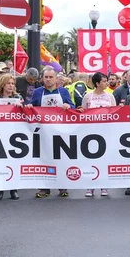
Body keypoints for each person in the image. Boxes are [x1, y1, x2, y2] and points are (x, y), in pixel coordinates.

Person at [26, 67, 75, 198]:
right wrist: (30, 107)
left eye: (50, 77)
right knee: (44, 159)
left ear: (56, 78)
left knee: (61, 158)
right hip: (43, 132)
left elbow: (73, 107)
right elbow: (31, 107)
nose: (48, 80)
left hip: (60, 131)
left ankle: (62, 186)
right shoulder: (37, 92)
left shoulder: (63, 91)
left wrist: (69, 106)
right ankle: (44, 188)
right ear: (42, 78)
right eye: (46, 77)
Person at [79, 72, 117, 197]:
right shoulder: (88, 97)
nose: (107, 83)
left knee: (104, 159)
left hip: (106, 132)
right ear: (97, 83)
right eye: (104, 81)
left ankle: (104, 186)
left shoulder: (110, 97)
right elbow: (82, 113)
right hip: (90, 132)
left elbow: (115, 113)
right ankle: (90, 186)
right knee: (90, 159)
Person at [0, 74, 24, 200]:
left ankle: (13, 189)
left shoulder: (18, 97)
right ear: (3, 84)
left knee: (13, 161)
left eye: (13, 83)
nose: (11, 86)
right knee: (0, 161)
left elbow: (24, 115)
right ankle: (0, 190)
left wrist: (22, 108)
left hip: (14, 134)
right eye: (8, 83)